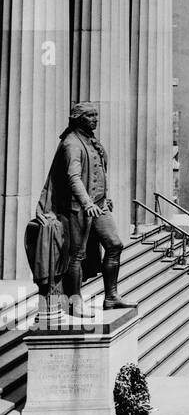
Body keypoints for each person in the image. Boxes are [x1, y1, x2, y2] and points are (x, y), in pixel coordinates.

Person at [31, 101, 128, 317]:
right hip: (78, 209)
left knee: (115, 245)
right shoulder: (71, 144)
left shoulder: (91, 141)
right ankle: (74, 303)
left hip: (99, 206)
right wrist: (87, 203)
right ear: (78, 119)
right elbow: (73, 178)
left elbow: (100, 170)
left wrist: (106, 197)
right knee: (76, 256)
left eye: (96, 115)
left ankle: (111, 296)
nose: (95, 119)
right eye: (90, 116)